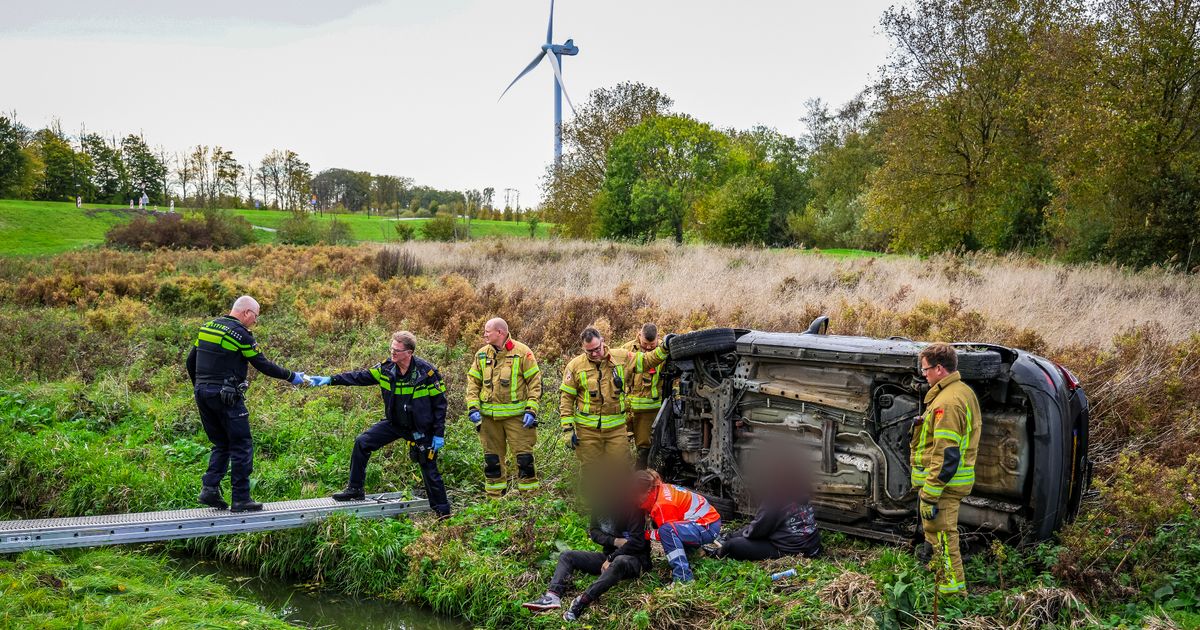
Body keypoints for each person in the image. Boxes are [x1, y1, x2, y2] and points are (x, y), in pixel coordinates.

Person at [186, 295, 309, 512]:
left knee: (221, 443)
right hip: (227, 397)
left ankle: (210, 489)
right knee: (241, 445)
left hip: (202, 394)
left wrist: (201, 387)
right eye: (255, 316)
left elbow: (190, 361)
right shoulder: (241, 335)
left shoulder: (208, 327)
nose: (255, 321)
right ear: (246, 313)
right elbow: (263, 365)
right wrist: (292, 376)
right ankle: (241, 499)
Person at [308, 331, 451, 517]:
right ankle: (355, 489)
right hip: (395, 424)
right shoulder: (386, 368)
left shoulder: (427, 373)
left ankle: (443, 513)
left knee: (428, 467)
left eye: (397, 350)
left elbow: (440, 405)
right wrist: (331, 380)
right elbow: (359, 377)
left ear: (409, 352)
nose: (393, 353)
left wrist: (438, 433)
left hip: (420, 428)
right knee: (362, 442)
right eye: (391, 349)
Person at [523, 466, 649, 622]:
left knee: (620, 561)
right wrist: (614, 542)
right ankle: (552, 596)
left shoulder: (633, 507)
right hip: (608, 557)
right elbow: (594, 532)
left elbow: (637, 542)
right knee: (567, 556)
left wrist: (612, 557)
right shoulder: (600, 504)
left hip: (634, 560)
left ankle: (581, 602)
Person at [911, 342, 982, 596]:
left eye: (926, 369)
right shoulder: (960, 392)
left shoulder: (948, 403)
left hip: (944, 486)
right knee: (938, 535)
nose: (924, 375)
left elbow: (946, 454)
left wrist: (930, 494)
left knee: (942, 537)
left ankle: (952, 594)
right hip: (948, 483)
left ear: (939, 368)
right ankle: (943, 585)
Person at [559, 327, 670, 469]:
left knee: (621, 468)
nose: (594, 354)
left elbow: (647, 360)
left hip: (616, 430)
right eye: (589, 351)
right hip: (587, 431)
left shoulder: (621, 357)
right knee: (590, 470)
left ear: (602, 341)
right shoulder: (575, 366)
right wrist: (567, 429)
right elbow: (567, 398)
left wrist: (664, 348)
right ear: (583, 348)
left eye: (597, 349)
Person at [464, 318, 542, 496]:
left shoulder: (523, 353)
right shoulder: (481, 355)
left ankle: (530, 498)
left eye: (487, 331)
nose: (484, 334)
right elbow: (473, 383)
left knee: (524, 460)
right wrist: (473, 407)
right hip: (489, 420)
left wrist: (531, 409)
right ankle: (495, 499)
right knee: (492, 461)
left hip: (518, 419)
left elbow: (535, 383)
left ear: (499, 332)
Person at [634, 469, 721, 584]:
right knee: (671, 530)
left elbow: (666, 534)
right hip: (706, 521)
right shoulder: (659, 488)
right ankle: (695, 553)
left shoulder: (662, 505)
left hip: (707, 526)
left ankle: (683, 578)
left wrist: (646, 534)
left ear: (647, 491)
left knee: (667, 531)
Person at [620, 323, 664, 469]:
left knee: (644, 447)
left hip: (649, 411)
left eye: (652, 344)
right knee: (619, 444)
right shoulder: (627, 349)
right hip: (627, 408)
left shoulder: (663, 351)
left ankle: (642, 475)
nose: (649, 347)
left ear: (658, 337)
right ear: (639, 335)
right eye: (645, 344)